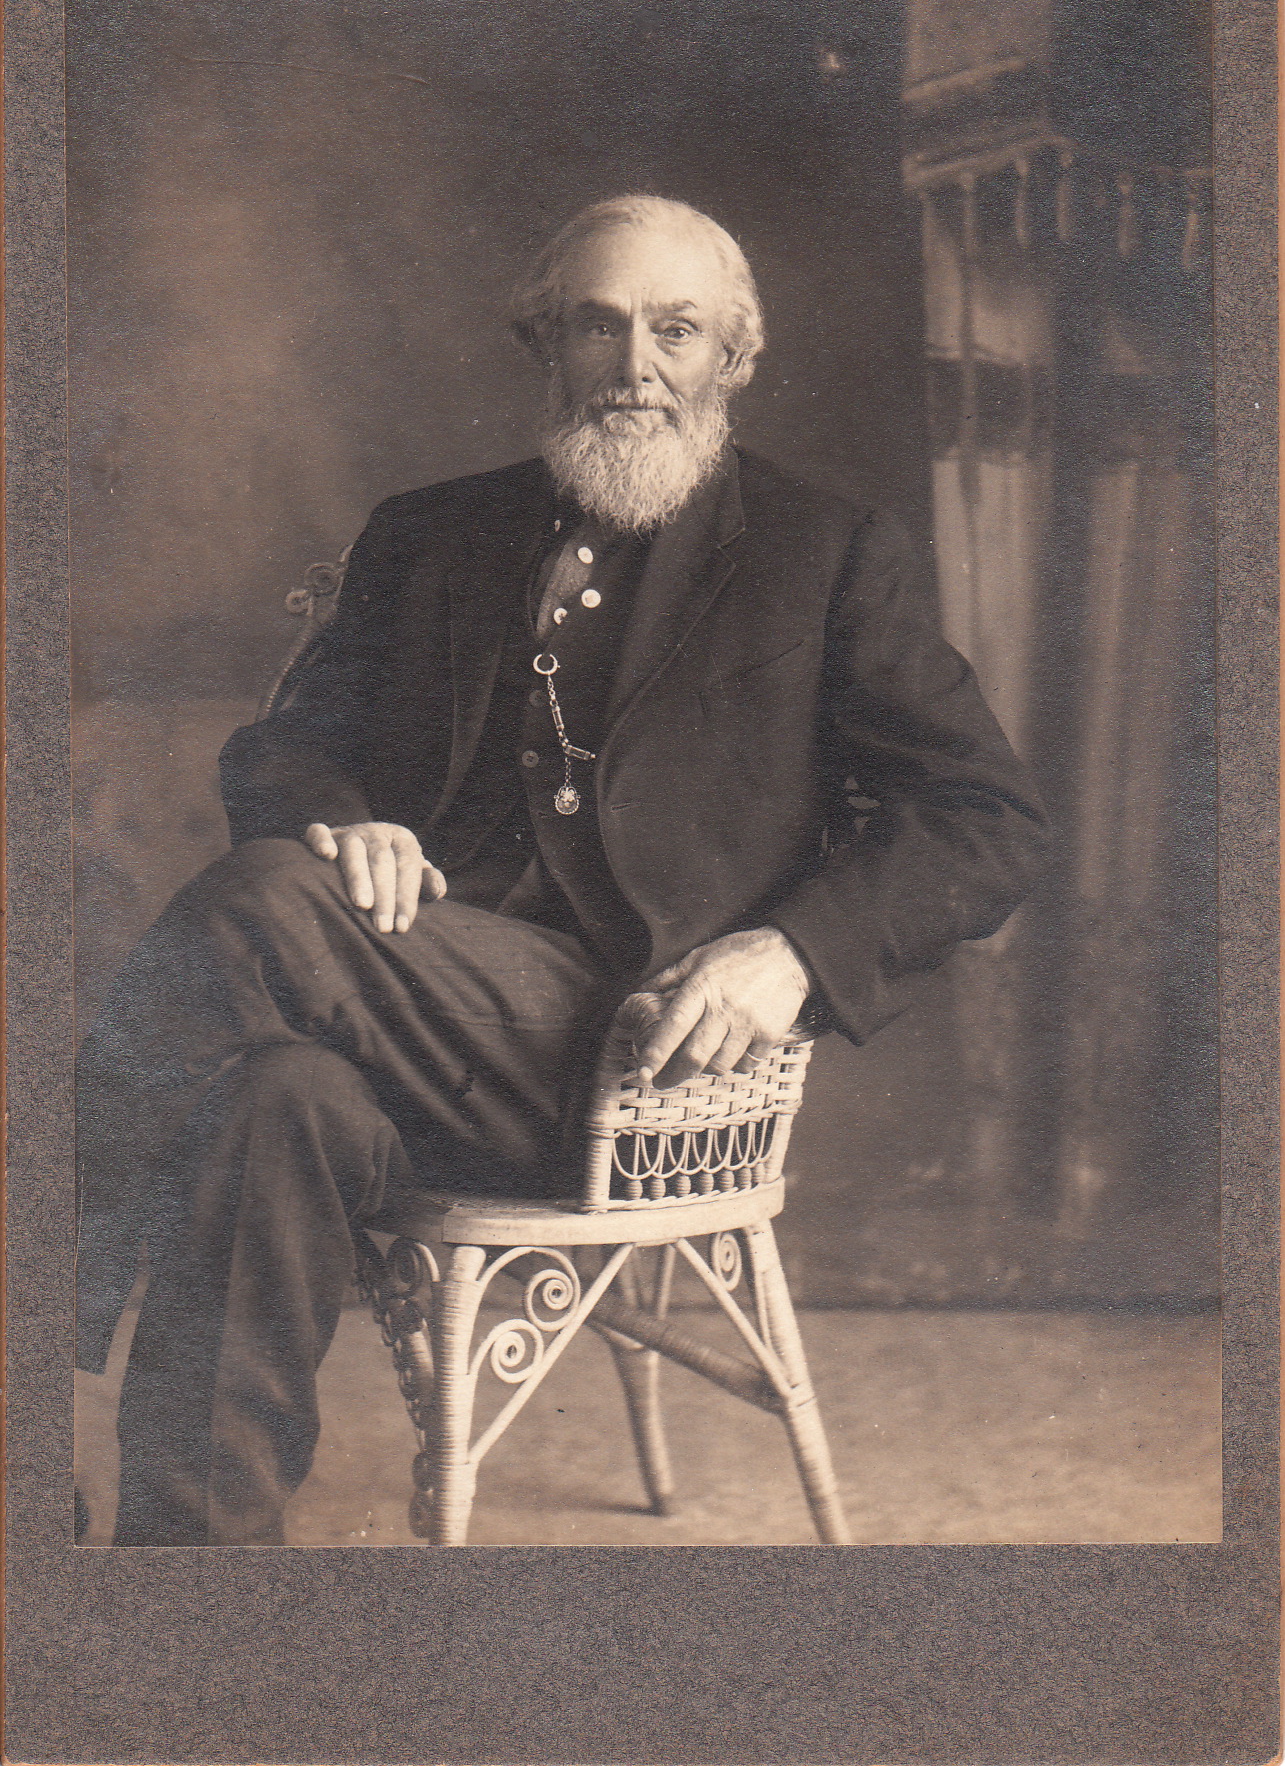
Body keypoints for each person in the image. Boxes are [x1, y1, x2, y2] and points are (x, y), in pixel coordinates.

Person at [75, 195, 1050, 1545]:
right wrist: (341, 820)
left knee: (259, 904)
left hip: (628, 1055)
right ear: (546, 343)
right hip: (394, 1026)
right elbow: (287, 748)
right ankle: (191, 1572)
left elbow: (988, 818)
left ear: (735, 356)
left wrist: (794, 954)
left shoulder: (823, 553)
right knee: (271, 1099)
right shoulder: (431, 532)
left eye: (676, 330)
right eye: (599, 325)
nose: (636, 365)